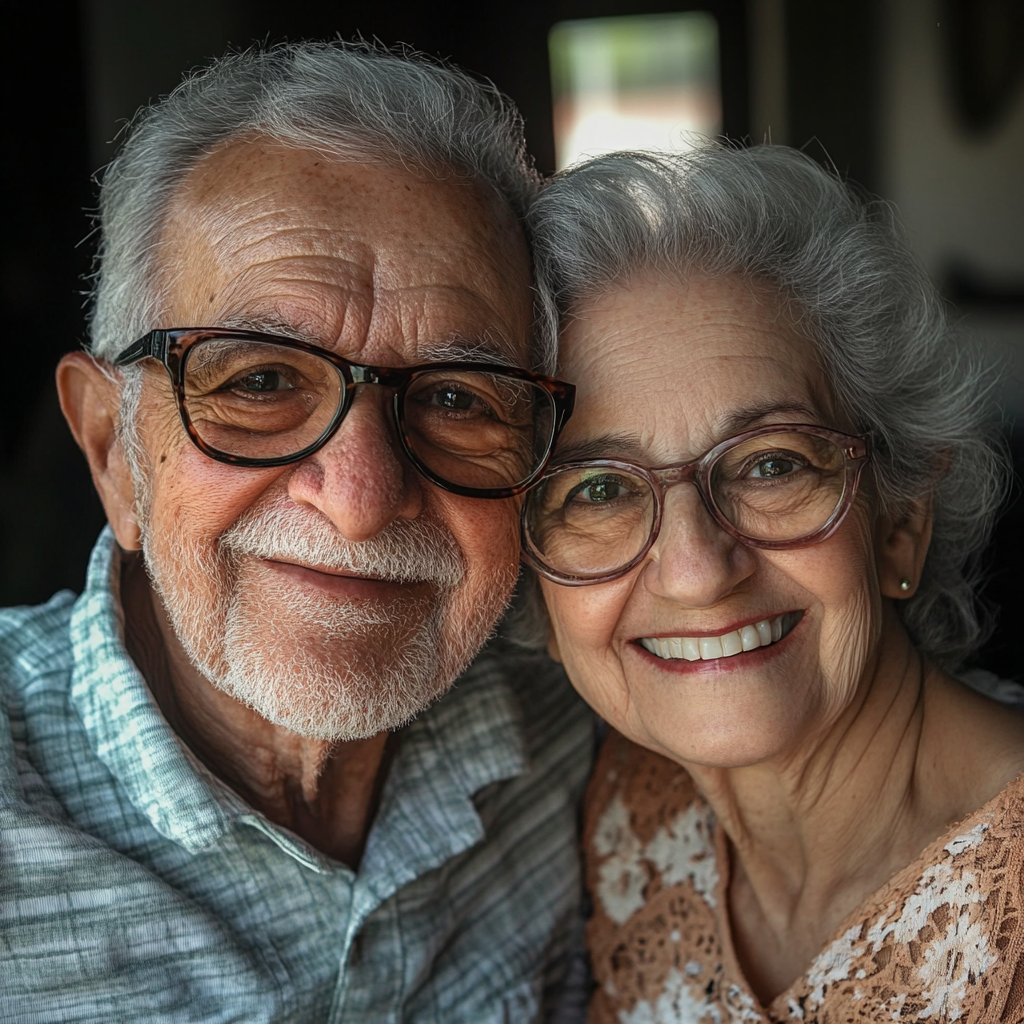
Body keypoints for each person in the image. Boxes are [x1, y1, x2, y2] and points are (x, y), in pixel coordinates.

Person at [1, 42, 594, 1023]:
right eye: (260, 382)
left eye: (455, 398)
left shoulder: (586, 714)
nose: (362, 498)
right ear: (112, 449)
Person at [520, 145, 1024, 1023]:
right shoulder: (631, 815)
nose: (696, 571)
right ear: (534, 583)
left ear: (901, 518)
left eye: (770, 465)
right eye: (596, 489)